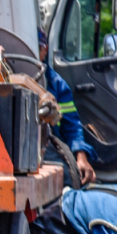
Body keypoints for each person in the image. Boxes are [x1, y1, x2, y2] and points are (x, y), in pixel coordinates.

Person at [39, 29, 98, 186]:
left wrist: (81, 157)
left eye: (37, 49)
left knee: (68, 180)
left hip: (48, 149)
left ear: (44, 50)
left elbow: (71, 126)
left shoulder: (57, 85)